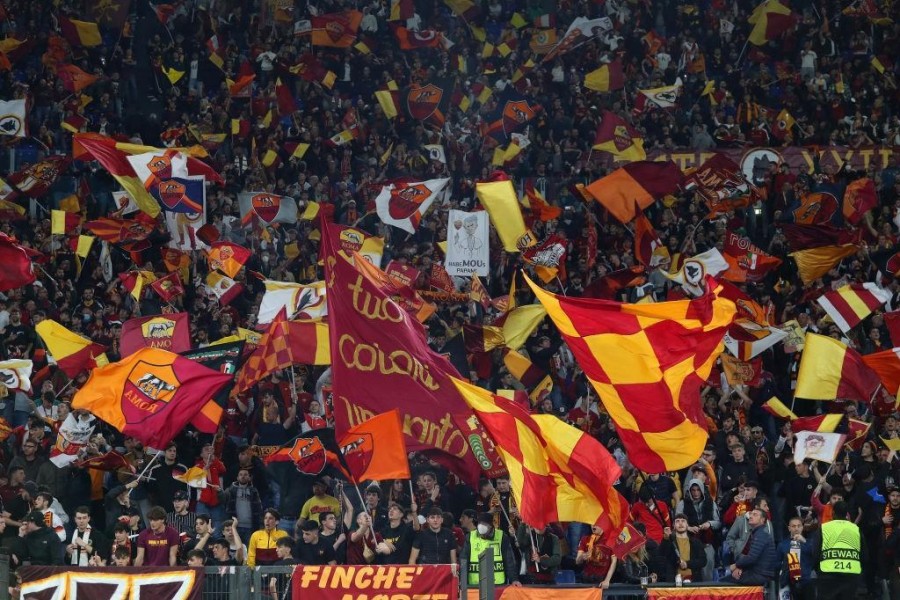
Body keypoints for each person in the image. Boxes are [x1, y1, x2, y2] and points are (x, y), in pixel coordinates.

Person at [813, 500, 865, 600]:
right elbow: (864, 555)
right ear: (847, 514)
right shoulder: (856, 529)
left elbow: (815, 553)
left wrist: (819, 570)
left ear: (833, 513)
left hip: (828, 576)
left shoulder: (824, 528)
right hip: (851, 576)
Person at [720, 506, 778, 586]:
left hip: (760, 574)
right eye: (751, 514)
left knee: (723, 582)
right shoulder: (758, 533)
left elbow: (751, 558)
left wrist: (735, 565)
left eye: (755, 515)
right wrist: (740, 568)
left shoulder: (761, 535)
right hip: (756, 572)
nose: (750, 516)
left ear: (762, 520)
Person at [460, 513, 521, 587]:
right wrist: (462, 581)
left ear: (491, 525)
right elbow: (463, 560)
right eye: (480, 524)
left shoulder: (501, 536)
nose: (481, 527)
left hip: (497, 584)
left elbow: (509, 560)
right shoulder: (470, 537)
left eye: (484, 524)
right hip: (475, 585)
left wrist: (514, 579)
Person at [658, 514, 707, 582]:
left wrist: (687, 564)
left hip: (694, 581)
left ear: (687, 525)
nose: (680, 523)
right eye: (677, 521)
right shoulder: (669, 541)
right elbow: (662, 555)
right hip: (674, 581)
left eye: (683, 521)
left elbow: (703, 561)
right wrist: (666, 539)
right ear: (674, 526)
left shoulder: (696, 542)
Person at [777, 516, 815, 600]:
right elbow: (777, 564)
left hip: (807, 582)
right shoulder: (782, 545)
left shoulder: (809, 542)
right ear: (789, 528)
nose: (796, 528)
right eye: (793, 526)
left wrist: (804, 541)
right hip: (789, 583)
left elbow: (816, 555)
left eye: (799, 526)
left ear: (802, 527)